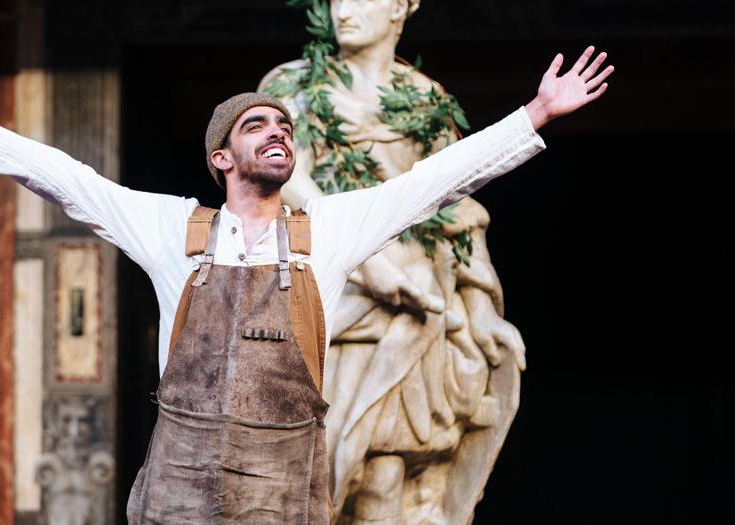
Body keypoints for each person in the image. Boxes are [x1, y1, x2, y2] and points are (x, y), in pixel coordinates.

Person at [0, 46, 611, 523]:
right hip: (179, 491)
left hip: (282, 494)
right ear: (222, 155)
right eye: (256, 124)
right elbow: (67, 179)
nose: (277, 132)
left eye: (284, 127)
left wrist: (537, 113)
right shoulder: (174, 229)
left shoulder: (326, 230)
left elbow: (433, 183)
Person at [254, 1, 595, 521]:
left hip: (413, 305)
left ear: (400, 8)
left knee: (389, 472)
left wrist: (481, 307)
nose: (345, 10)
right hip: (327, 295)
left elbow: (455, 203)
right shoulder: (291, 86)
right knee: (309, 468)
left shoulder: (423, 98)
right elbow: (284, 180)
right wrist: (366, 261)